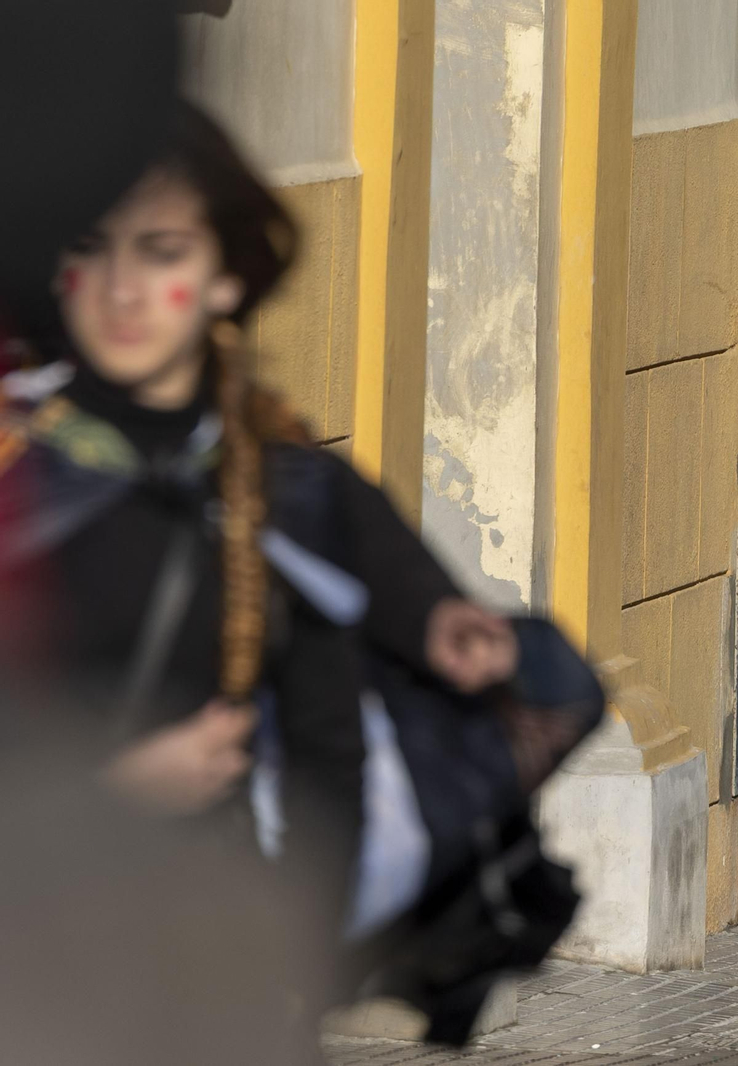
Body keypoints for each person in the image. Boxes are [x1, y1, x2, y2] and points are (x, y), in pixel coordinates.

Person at [0, 100, 523, 1047]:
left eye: (161, 253)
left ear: (226, 278)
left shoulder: (292, 496)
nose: (122, 289)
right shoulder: (17, 481)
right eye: (92, 249)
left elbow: (336, 762)